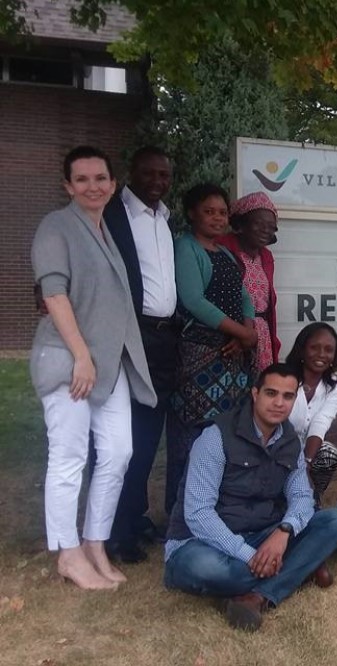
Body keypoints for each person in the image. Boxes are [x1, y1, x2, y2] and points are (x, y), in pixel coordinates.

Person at [30, 145, 157, 590]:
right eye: (81, 179)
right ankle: (68, 554)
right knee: (69, 456)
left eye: (100, 178)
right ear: (67, 186)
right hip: (69, 362)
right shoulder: (57, 227)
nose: (92, 186)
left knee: (120, 452)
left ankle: (94, 544)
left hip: (109, 365)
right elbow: (53, 293)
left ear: (112, 183)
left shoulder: (104, 231)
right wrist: (81, 356)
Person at [163, 364, 337, 631]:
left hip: (261, 532)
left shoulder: (290, 441)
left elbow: (301, 496)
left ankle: (257, 595)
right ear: (255, 393)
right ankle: (297, 570)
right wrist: (250, 556)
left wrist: (283, 532)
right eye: (271, 393)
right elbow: (198, 514)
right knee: (207, 568)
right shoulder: (216, 436)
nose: (278, 403)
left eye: (287, 396)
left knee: (334, 521)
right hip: (202, 542)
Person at [103, 146, 179, 564]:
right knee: (124, 437)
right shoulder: (114, 216)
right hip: (131, 335)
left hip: (165, 339)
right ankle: (117, 530)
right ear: (130, 170)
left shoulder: (164, 219)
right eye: (148, 173)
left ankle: (136, 514)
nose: (156, 181)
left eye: (163, 175)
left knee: (148, 436)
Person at [167, 184, 256, 516]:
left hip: (232, 359)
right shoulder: (186, 248)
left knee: (226, 435)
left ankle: (218, 509)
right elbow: (193, 300)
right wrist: (242, 333)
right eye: (209, 211)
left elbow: (244, 296)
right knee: (192, 438)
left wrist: (247, 332)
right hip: (199, 360)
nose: (218, 218)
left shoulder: (226, 253)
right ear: (192, 213)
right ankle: (182, 513)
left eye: (222, 212)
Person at [218, 192, 280, 375]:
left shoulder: (266, 257)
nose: (265, 230)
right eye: (259, 224)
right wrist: (239, 333)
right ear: (241, 224)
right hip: (231, 335)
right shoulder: (221, 248)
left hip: (262, 336)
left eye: (271, 227)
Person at [285, 323, 337, 504]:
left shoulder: (336, 385)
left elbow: (321, 422)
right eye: (314, 348)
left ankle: (312, 498)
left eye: (329, 350)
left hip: (305, 449)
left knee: (328, 453)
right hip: (276, 446)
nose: (321, 355)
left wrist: (306, 462)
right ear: (302, 350)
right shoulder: (283, 377)